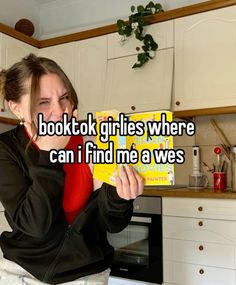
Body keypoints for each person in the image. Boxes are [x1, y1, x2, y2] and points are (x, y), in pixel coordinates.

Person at [0, 54, 144, 285]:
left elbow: (112, 224)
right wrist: (50, 156)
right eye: (43, 102)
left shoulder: (92, 140)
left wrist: (120, 197)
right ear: (16, 108)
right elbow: (34, 226)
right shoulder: (6, 149)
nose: (61, 110)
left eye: (65, 97)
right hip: (23, 273)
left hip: (87, 274)